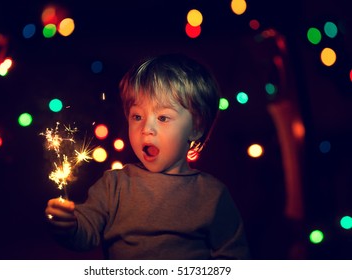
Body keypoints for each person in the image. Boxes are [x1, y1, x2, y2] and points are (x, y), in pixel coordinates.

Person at [45, 53, 250, 259]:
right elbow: (84, 233)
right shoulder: (114, 185)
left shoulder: (212, 195)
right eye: (137, 116)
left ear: (195, 128)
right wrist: (68, 225)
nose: (146, 128)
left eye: (163, 117)